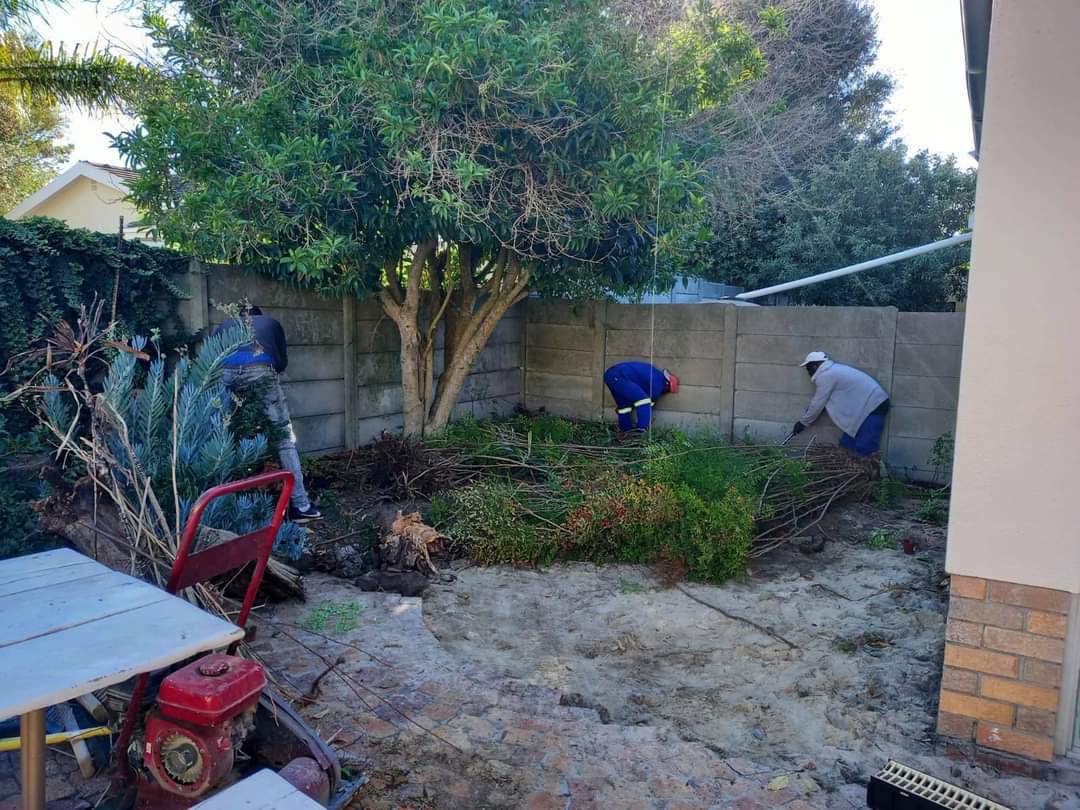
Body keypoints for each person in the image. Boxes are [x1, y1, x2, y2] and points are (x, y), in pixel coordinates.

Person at [213, 306, 322, 521]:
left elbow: (211, 360)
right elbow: (281, 363)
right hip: (261, 369)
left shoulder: (224, 325)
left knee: (221, 435)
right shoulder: (271, 323)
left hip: (224, 372)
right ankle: (300, 506)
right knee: (284, 439)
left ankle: (216, 507)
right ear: (259, 316)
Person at [793, 351, 889, 457]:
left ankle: (873, 467)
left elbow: (817, 403)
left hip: (874, 405)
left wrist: (803, 422)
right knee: (846, 447)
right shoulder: (833, 371)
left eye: (808, 368)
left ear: (815, 366)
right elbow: (823, 401)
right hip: (868, 406)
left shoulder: (825, 375)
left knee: (866, 448)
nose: (808, 372)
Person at [603, 362, 679, 432]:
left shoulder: (654, 373)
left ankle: (626, 431)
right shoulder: (660, 382)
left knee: (624, 407)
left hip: (610, 375)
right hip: (621, 376)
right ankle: (640, 432)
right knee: (645, 402)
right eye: (667, 390)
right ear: (668, 383)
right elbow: (648, 402)